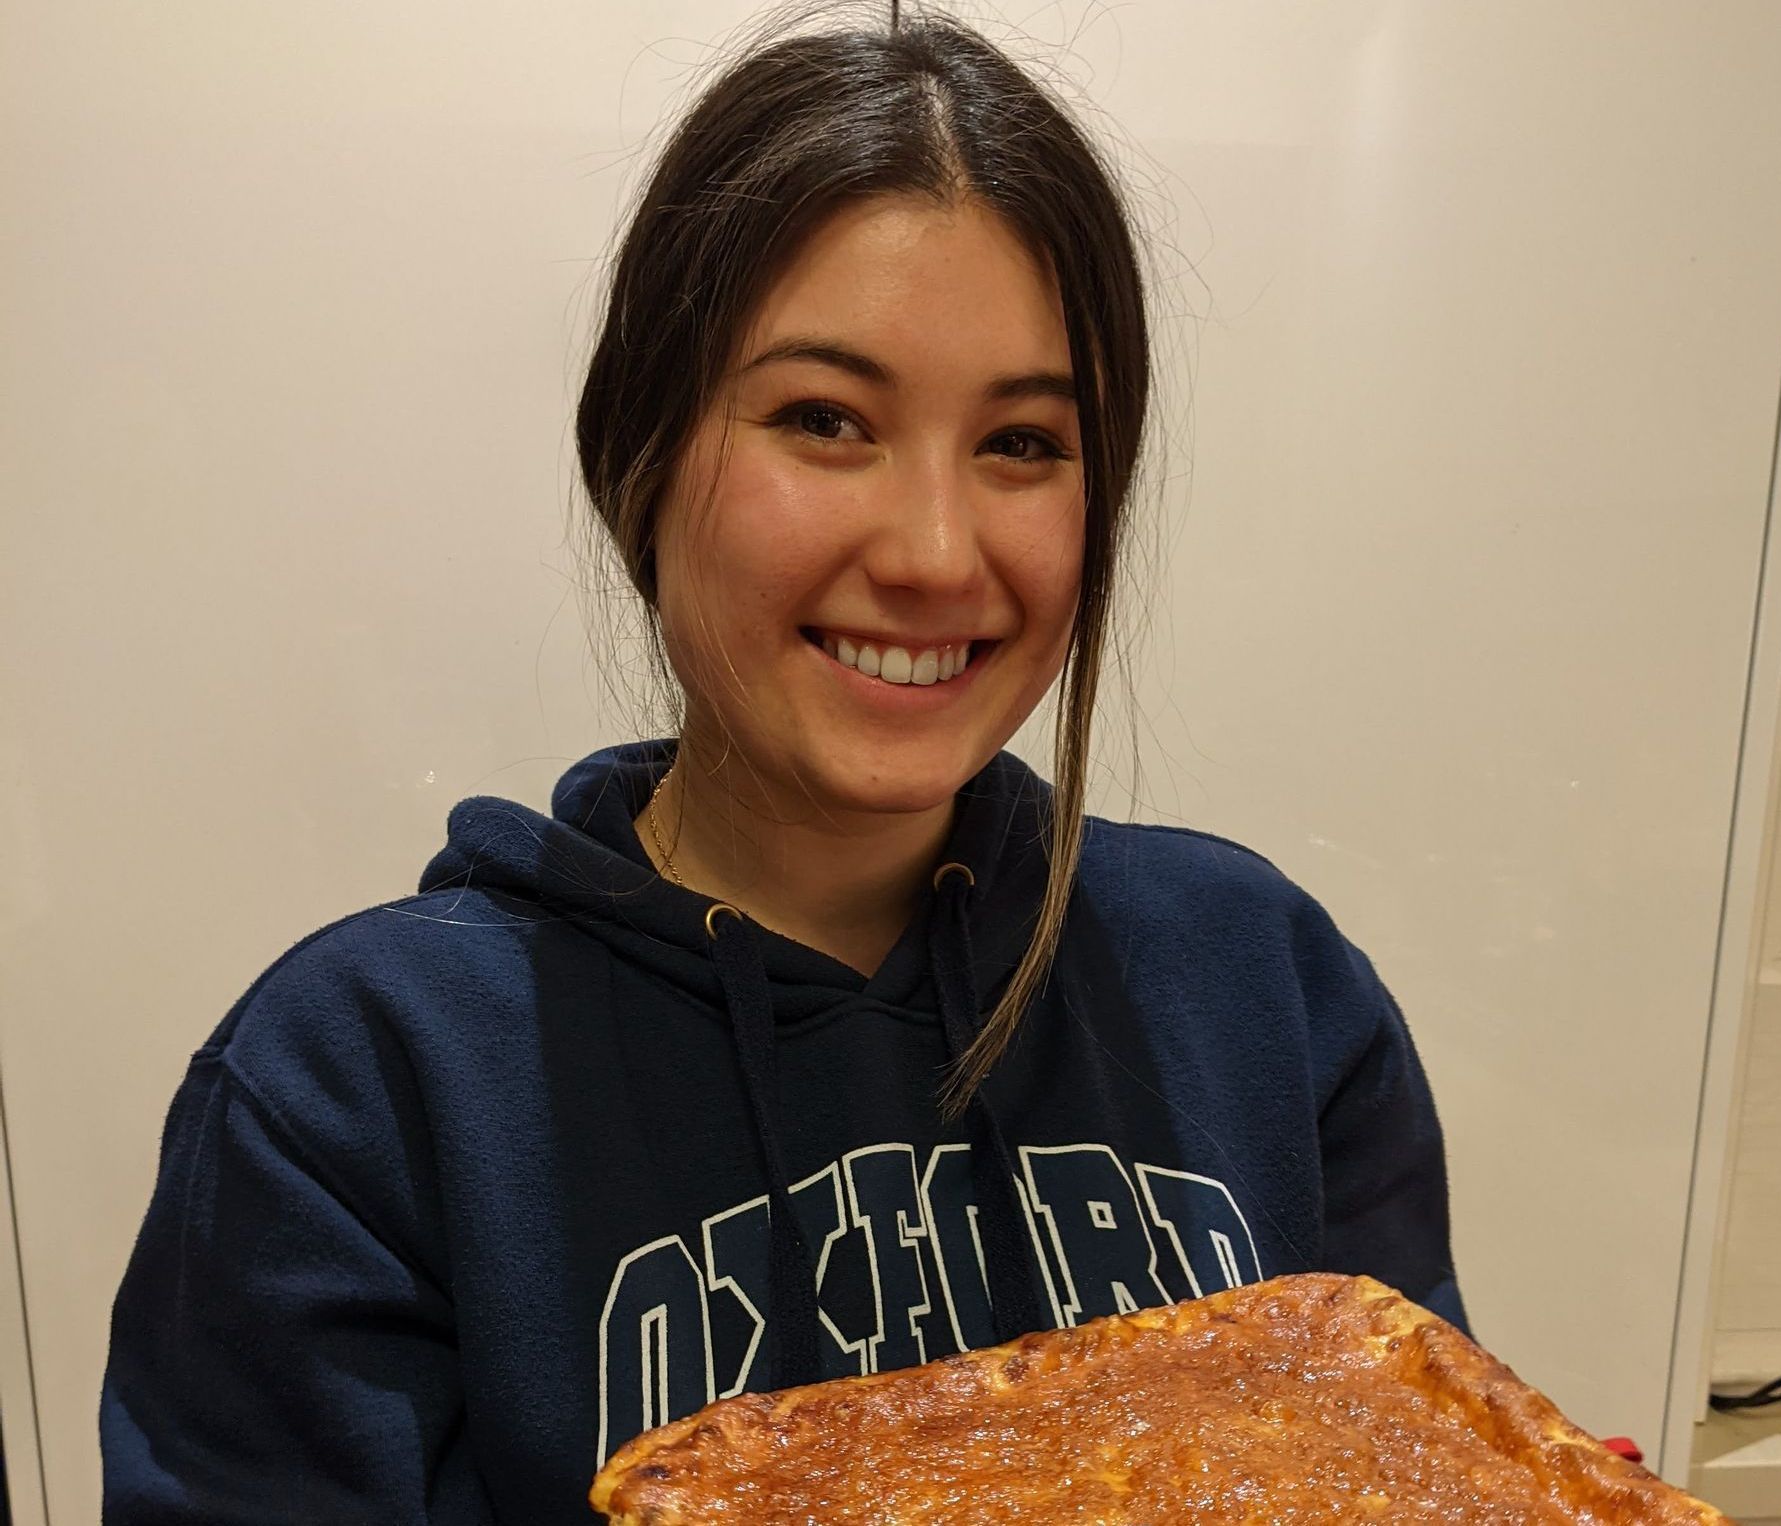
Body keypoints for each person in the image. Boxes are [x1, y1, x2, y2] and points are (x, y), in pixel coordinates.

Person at [101, 8, 1465, 1523]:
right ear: (644, 449)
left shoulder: (1264, 989)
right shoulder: (357, 1094)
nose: (938, 553)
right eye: (826, 420)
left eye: (1022, 443)